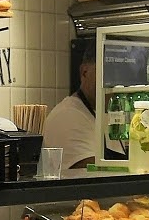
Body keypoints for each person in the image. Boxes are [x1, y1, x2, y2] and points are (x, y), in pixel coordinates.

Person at [42, 36, 105, 176]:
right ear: (84, 72)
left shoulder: (109, 115)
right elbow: (95, 175)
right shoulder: (67, 116)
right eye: (107, 71)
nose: (114, 81)